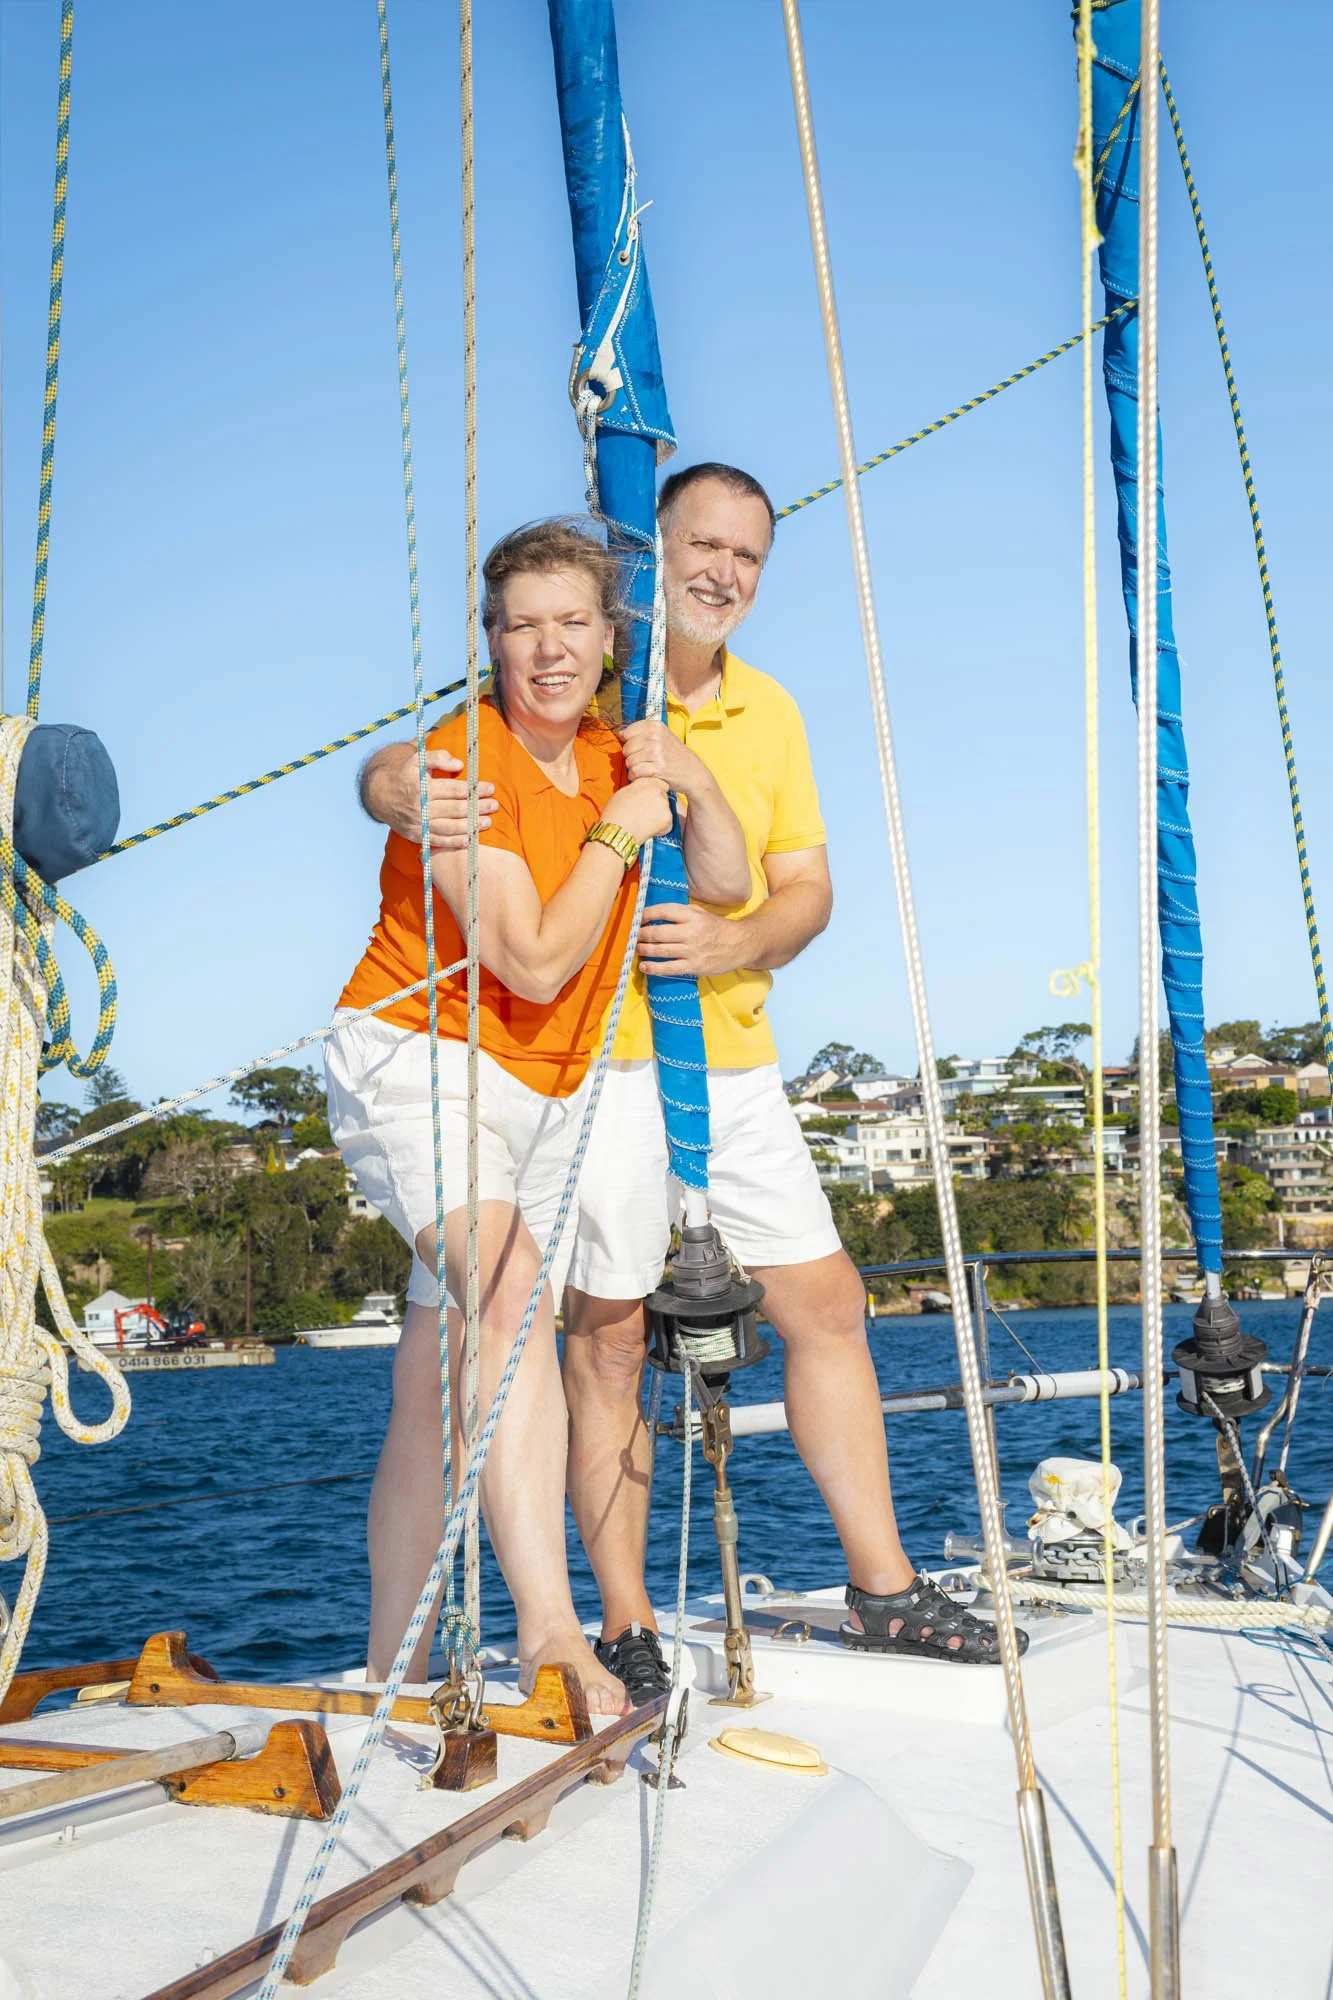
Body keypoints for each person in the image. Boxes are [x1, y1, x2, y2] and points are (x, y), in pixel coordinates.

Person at [360, 467, 1018, 1701]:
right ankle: (620, 1618)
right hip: (591, 1065)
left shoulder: (766, 711)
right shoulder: (587, 680)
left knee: (825, 1305)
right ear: (645, 565)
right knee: (602, 1342)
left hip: (734, 1054)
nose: (722, 571)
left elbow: (799, 889)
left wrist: (737, 937)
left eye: (747, 556)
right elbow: (452, 751)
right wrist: (387, 778)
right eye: (698, 546)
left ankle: (880, 1585)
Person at [329, 515, 749, 1708]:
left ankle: (387, 1672)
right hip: (420, 1058)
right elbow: (529, 959)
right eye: (522, 627)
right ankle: (552, 1631)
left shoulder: (622, 748)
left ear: (612, 635)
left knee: (434, 1377)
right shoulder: (462, 763)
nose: (549, 649)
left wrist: (687, 783)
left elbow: (721, 878)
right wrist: (628, 823)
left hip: (540, 1091)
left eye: (573, 622)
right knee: (510, 1292)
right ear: (493, 643)